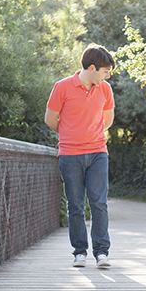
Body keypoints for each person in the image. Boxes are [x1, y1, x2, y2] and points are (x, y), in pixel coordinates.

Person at [46, 45, 116, 269]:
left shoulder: (105, 89)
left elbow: (108, 120)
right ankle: (79, 252)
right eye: (105, 71)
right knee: (75, 205)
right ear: (92, 68)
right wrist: (71, 134)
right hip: (70, 154)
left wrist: (90, 134)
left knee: (99, 203)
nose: (107, 76)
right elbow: (50, 119)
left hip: (98, 153)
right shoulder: (62, 87)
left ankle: (102, 252)